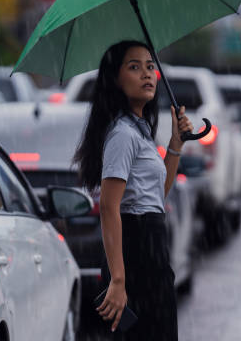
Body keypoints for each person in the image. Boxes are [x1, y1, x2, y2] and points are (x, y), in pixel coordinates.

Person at [73, 40, 193, 340]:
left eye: (151, 66)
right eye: (134, 67)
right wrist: (117, 280)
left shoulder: (139, 131)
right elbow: (110, 208)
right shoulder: (122, 135)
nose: (147, 74)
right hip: (135, 252)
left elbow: (155, 196)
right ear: (115, 79)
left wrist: (175, 145)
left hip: (152, 248)